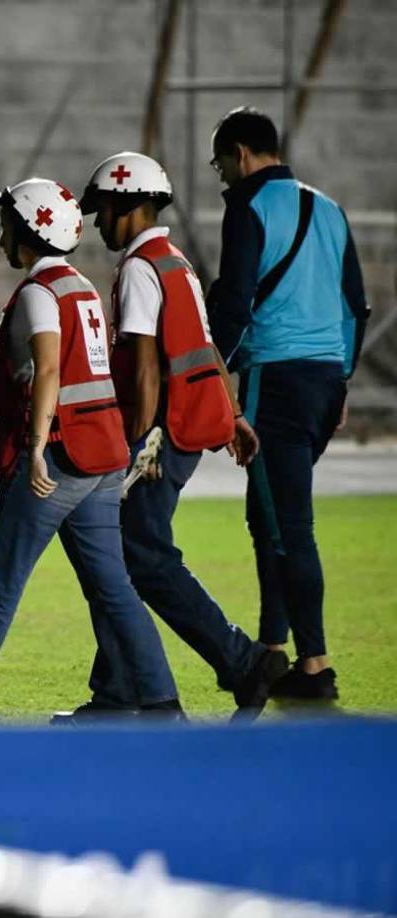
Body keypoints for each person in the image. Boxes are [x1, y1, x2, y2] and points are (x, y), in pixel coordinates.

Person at [0, 178, 183, 725]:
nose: (1, 240)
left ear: (28, 231)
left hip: (61, 458)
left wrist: (38, 449)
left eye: (7, 228)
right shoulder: (82, 288)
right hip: (103, 456)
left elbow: (47, 370)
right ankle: (163, 704)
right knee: (114, 588)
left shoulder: (39, 294)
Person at [57, 151, 285, 724]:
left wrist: (134, 446)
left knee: (141, 555)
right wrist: (231, 413)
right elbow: (204, 345)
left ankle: (243, 662)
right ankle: (115, 695)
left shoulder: (138, 268)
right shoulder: (174, 261)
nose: (97, 222)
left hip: (160, 435)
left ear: (128, 206)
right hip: (186, 425)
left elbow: (145, 367)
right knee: (126, 556)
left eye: (103, 211)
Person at [206, 107, 369, 701]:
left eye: (221, 161)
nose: (221, 174)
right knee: (269, 518)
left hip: (274, 378)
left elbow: (236, 304)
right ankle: (273, 651)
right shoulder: (330, 208)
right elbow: (357, 306)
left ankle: (314, 667)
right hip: (326, 379)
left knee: (289, 527)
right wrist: (343, 379)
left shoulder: (247, 207)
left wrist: (207, 373)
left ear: (242, 154)